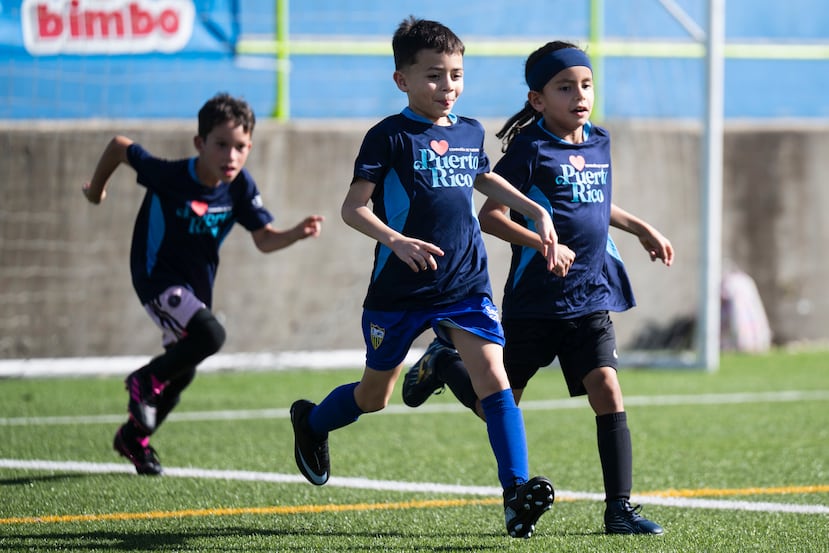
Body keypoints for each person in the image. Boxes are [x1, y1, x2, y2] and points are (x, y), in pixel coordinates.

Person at [290, 17, 557, 539]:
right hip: (400, 290)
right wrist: (396, 240)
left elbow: (480, 176)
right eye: (434, 76)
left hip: (465, 285)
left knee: (494, 379)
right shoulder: (388, 136)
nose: (448, 87)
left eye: (456, 75)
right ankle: (312, 423)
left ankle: (515, 495)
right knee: (374, 397)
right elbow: (352, 208)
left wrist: (535, 210)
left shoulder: (468, 130)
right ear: (402, 81)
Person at [402, 41, 674, 535]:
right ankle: (445, 363)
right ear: (538, 99)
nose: (579, 95)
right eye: (565, 87)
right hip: (535, 303)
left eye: (586, 85)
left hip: (589, 298)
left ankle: (619, 509)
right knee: (499, 405)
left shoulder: (599, 141)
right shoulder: (529, 150)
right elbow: (491, 216)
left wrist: (640, 228)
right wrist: (540, 240)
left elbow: (595, 203)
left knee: (607, 389)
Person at [82, 92, 324, 476]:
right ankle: (143, 381)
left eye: (240, 147)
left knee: (184, 371)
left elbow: (264, 239)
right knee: (211, 336)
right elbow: (118, 147)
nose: (231, 156)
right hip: (156, 278)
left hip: (193, 290)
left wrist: (295, 233)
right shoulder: (171, 176)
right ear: (200, 144)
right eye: (221, 145)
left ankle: (133, 438)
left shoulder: (239, 187)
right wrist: (96, 190)